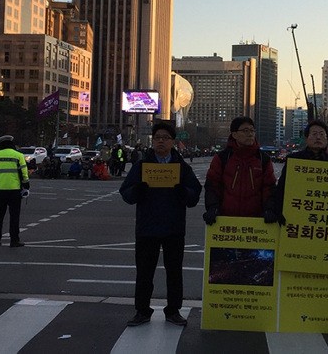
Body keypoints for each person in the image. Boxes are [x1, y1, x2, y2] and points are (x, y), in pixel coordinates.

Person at [119, 121, 202, 327]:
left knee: (174, 272)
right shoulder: (142, 165)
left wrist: (182, 190)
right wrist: (139, 189)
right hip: (147, 228)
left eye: (165, 138)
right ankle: (142, 311)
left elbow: (194, 195)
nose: (161, 141)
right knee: (144, 273)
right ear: (153, 140)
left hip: (174, 228)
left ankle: (173, 311)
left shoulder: (181, 167)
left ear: (173, 141)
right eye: (158, 138)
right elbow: (126, 193)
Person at [203, 116, 277, 226]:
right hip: (226, 221)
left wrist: (270, 209)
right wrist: (212, 208)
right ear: (234, 134)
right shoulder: (222, 158)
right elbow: (212, 186)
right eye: (245, 131)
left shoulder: (263, 159)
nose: (250, 134)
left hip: (256, 223)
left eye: (252, 131)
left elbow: (269, 187)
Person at [272, 119, 328, 225]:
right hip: (296, 217)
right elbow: (282, 188)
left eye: (322, 134)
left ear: (327, 139)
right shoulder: (294, 160)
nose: (318, 137)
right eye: (314, 134)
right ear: (306, 138)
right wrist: (276, 210)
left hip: (327, 219)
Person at [0, 135, 30, 247]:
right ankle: (14, 240)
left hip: (0, 190)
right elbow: (24, 172)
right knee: (14, 216)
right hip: (14, 190)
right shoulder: (18, 155)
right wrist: (26, 184)